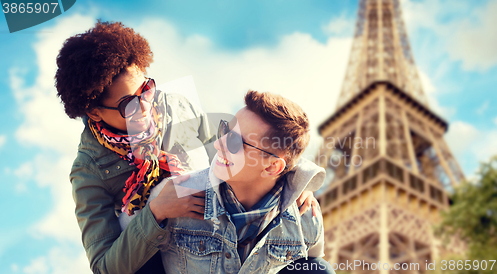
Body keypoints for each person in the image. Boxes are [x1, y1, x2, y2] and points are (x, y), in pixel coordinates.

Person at [56, 21, 318, 274]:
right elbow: (104, 266)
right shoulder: (88, 170)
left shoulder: (175, 106)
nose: (146, 106)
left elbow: (241, 141)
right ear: (94, 111)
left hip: (216, 238)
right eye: (128, 104)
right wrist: (156, 211)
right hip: (158, 257)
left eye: (146, 89)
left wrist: (293, 181)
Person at [122, 91, 335, 274]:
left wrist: (301, 184)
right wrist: (154, 213)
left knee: (317, 269)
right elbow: (122, 261)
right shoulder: (174, 196)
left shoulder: (306, 217)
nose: (218, 144)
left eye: (234, 141)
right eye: (224, 130)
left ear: (272, 167)